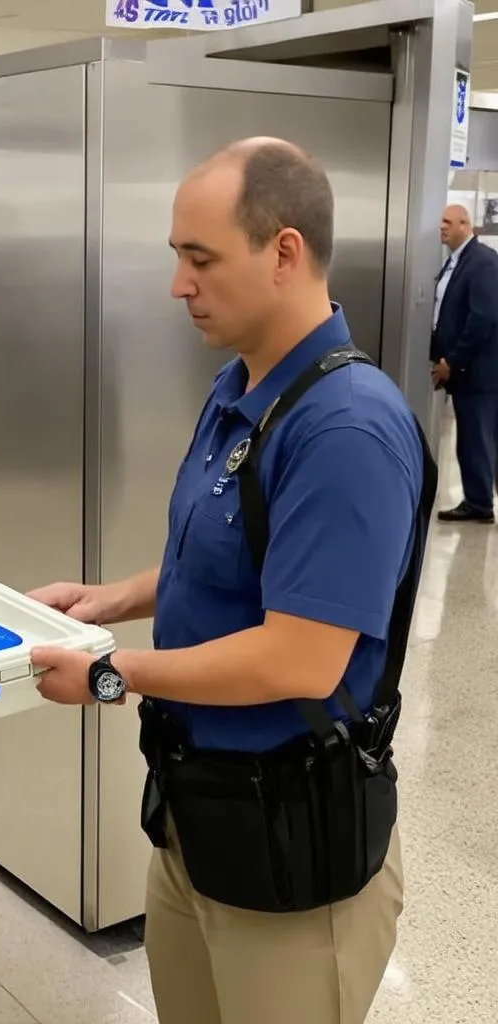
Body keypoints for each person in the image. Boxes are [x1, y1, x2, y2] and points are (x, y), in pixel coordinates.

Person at [28, 138, 436, 1024]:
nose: (179, 283)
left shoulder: (345, 431)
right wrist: (111, 600)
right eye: (179, 256)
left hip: (293, 855)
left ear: (284, 252)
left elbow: (299, 657)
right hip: (196, 821)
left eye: (199, 257)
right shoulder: (243, 390)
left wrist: (112, 671)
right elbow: (220, 564)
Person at [430, 203, 498, 522]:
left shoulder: (481, 262)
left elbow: (482, 318)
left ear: (464, 225)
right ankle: (479, 497)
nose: (441, 227)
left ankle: (480, 503)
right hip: (467, 371)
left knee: (476, 439)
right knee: (474, 438)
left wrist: (453, 361)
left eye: (447, 222)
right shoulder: (458, 261)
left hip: (478, 373)